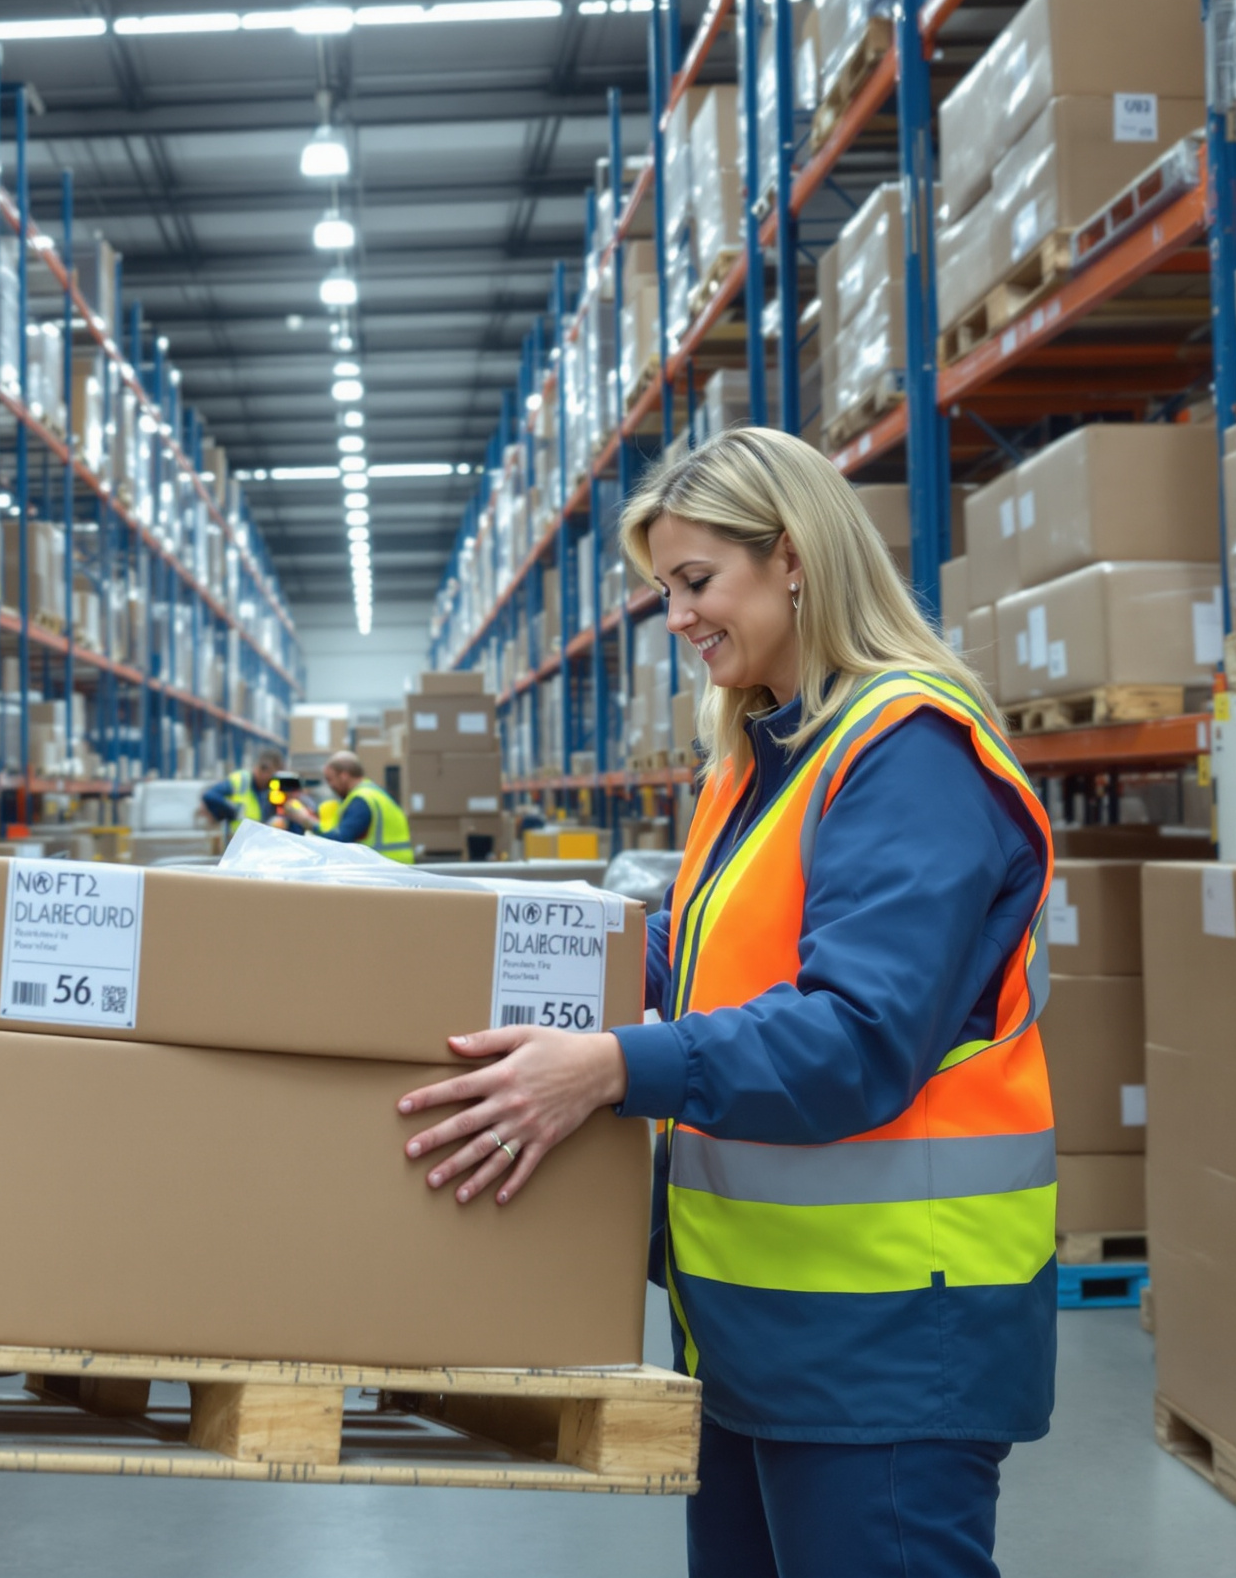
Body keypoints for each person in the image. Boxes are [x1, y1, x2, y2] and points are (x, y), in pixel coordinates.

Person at [396, 427, 1055, 1578]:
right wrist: (488, 943)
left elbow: (861, 1034)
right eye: (665, 590)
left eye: (697, 581)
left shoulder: (906, 754)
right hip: (759, 1332)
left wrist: (611, 1067)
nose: (680, 615)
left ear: (792, 556)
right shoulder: (761, 754)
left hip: (890, 1334)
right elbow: (700, 952)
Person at [285, 750, 414, 862]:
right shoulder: (374, 793)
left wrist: (305, 819)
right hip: (393, 867)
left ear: (344, 776)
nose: (330, 786)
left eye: (330, 779)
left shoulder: (361, 800)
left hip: (385, 869)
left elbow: (340, 841)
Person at [203, 749, 284, 835]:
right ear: (262, 769)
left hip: (256, 842)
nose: (272, 781)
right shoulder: (241, 780)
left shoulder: (268, 789)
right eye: (271, 776)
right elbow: (210, 796)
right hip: (236, 841)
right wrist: (232, 811)